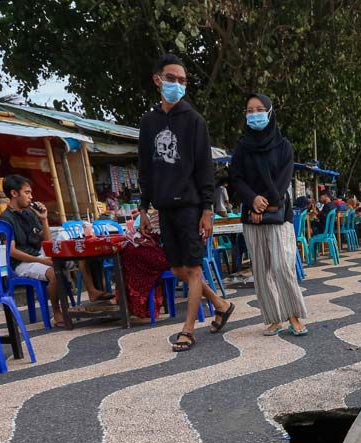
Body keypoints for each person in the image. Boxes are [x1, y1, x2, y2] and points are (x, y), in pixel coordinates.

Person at [138, 53, 233, 352]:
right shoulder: (149, 122)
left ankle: (188, 329)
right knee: (178, 269)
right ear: (157, 80)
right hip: (163, 206)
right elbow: (146, 166)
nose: (177, 85)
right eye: (171, 79)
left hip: (191, 205)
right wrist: (143, 207)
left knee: (193, 269)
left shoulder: (194, 121)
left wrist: (207, 210)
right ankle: (220, 304)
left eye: (182, 81)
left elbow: (205, 168)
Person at [229, 92, 309, 337]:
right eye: (250, 110)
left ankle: (293, 315)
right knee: (261, 271)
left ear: (270, 111)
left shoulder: (283, 146)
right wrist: (252, 201)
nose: (255, 114)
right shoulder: (242, 147)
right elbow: (235, 179)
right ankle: (274, 318)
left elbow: (283, 180)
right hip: (251, 216)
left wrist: (265, 205)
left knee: (283, 266)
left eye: (259, 109)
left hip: (277, 214)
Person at [0, 175, 109, 327]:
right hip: (21, 262)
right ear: (14, 193)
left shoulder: (29, 214)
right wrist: (41, 260)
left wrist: (44, 219)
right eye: (27, 192)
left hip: (38, 255)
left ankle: (92, 290)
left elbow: (47, 241)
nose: (31, 197)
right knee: (54, 271)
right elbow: (11, 252)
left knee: (80, 254)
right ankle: (57, 312)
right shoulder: (5, 219)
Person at [120, 209, 171, 321]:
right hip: (145, 251)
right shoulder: (165, 212)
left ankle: (140, 304)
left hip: (142, 249)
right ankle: (142, 305)